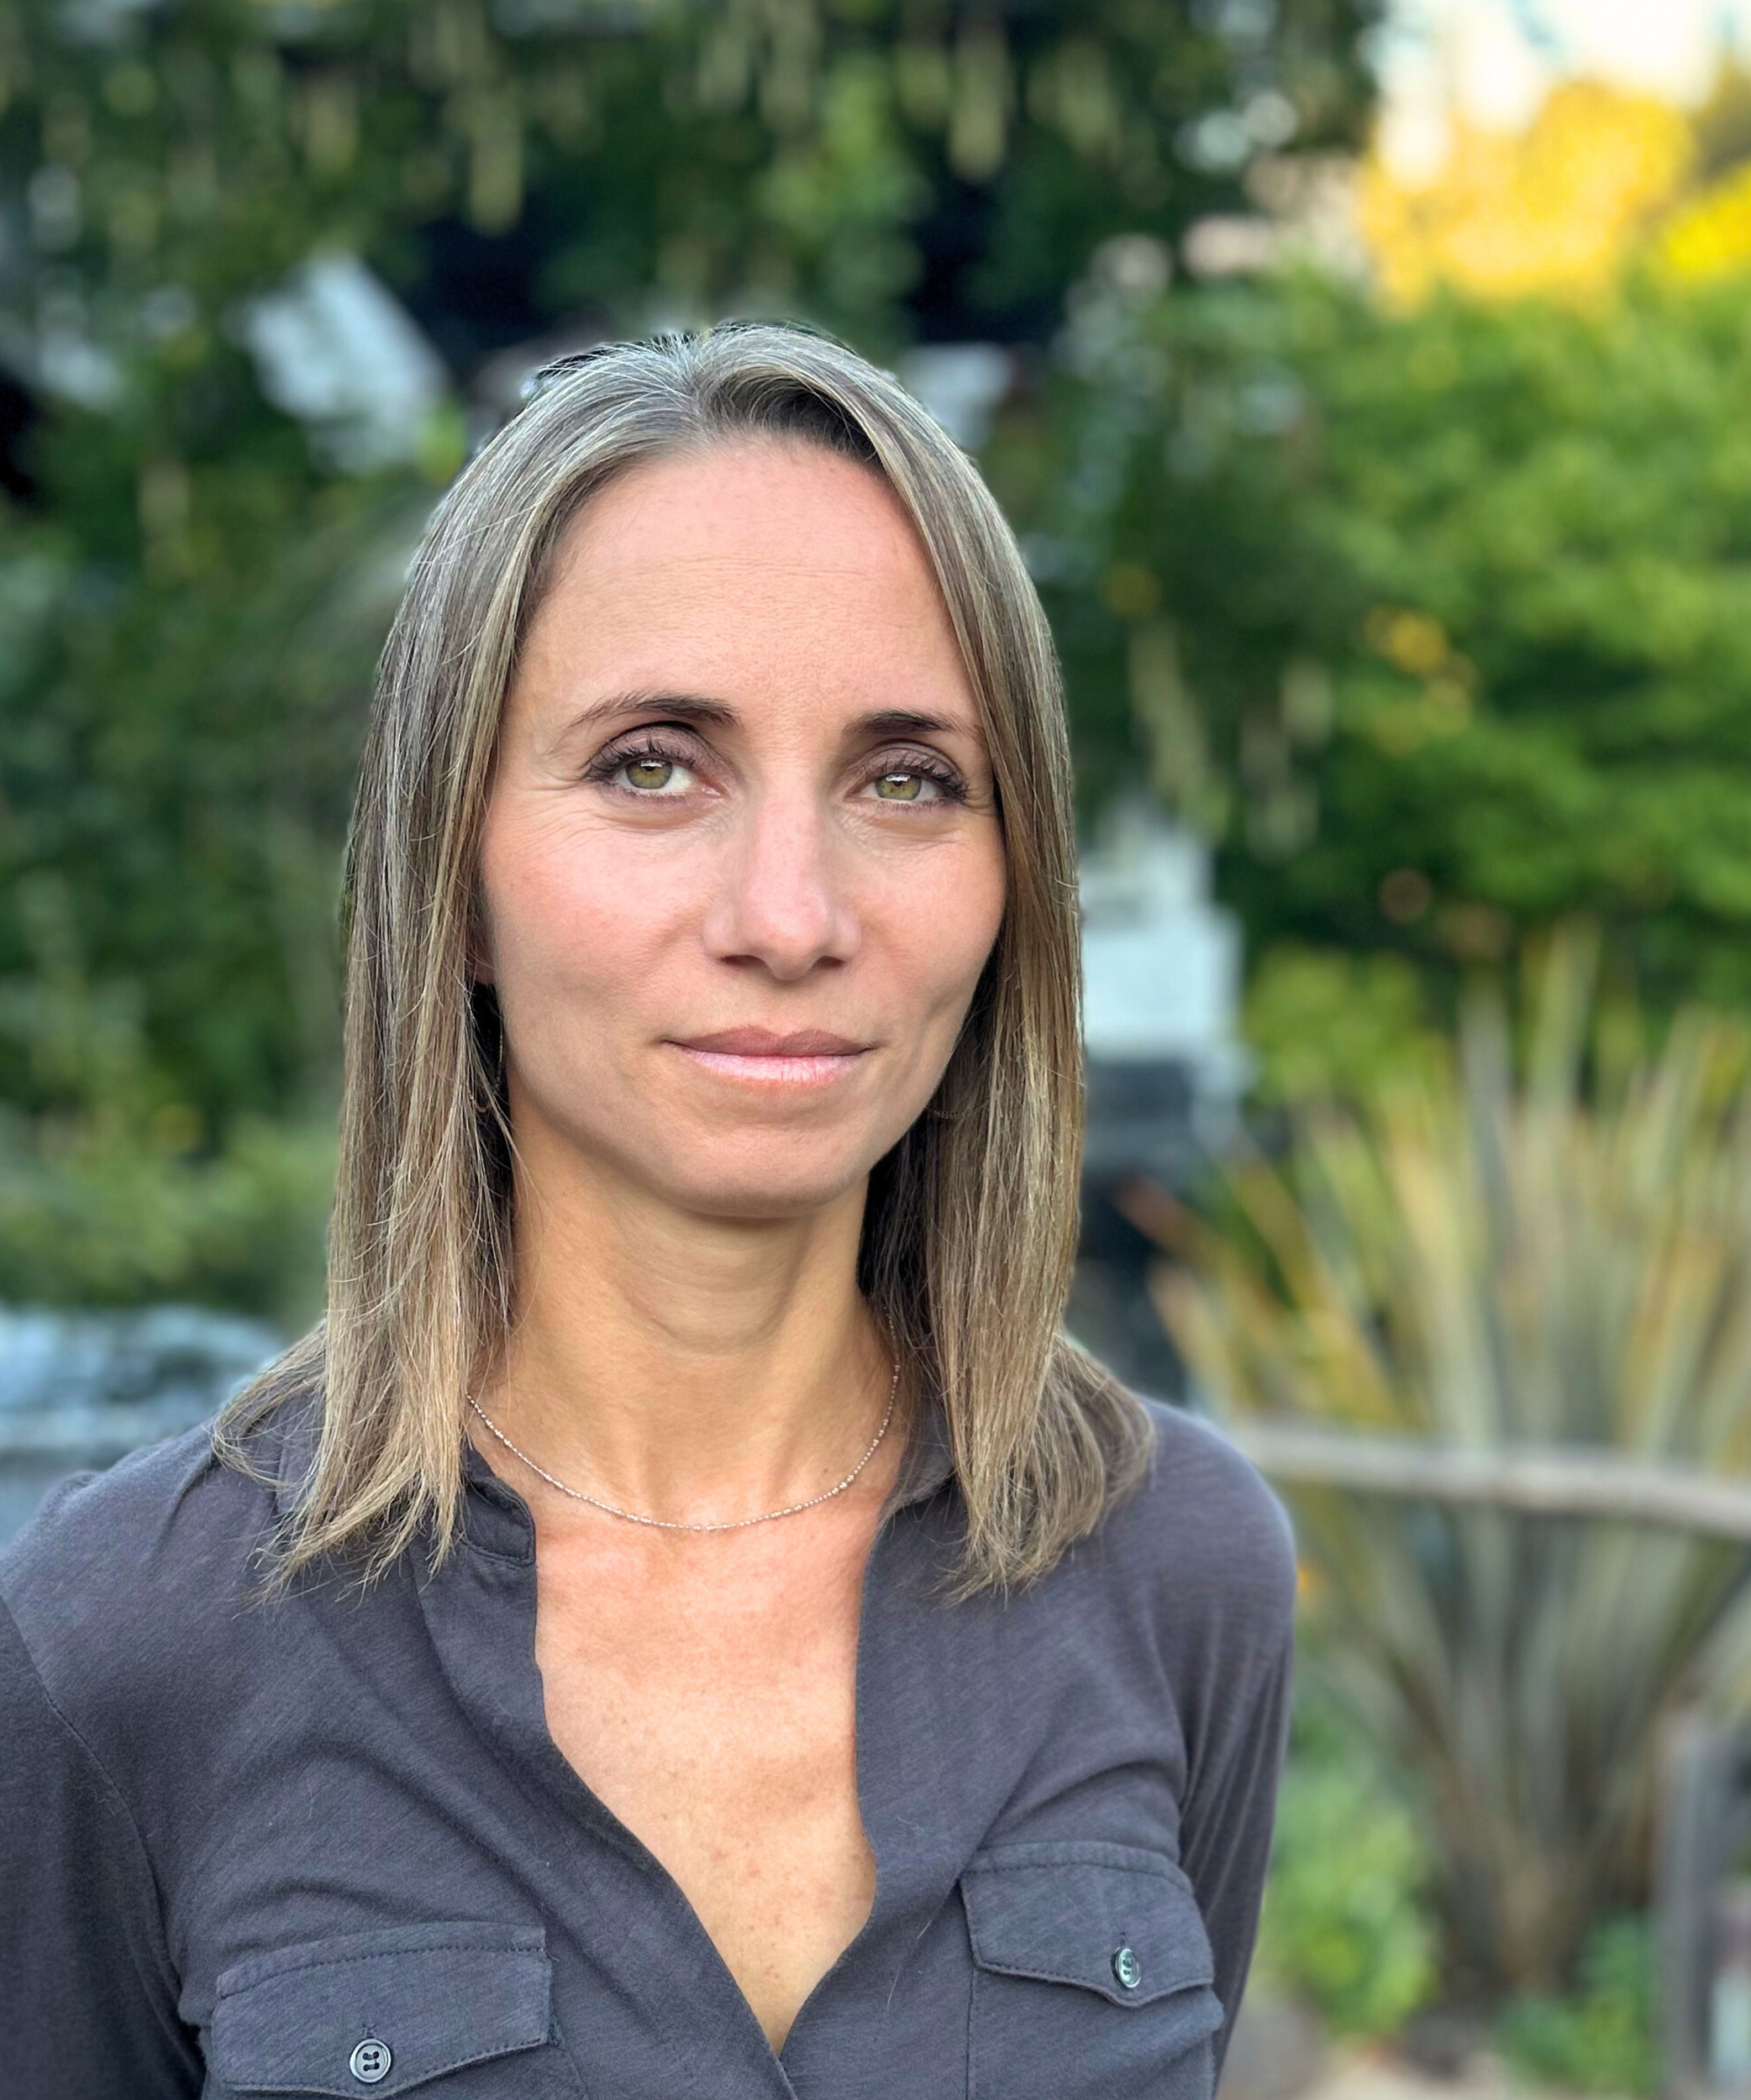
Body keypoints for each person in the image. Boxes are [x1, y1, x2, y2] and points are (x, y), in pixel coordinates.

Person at [0, 320, 1296, 2097]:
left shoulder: (1175, 1568)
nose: (788, 912)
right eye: (650, 764)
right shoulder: (124, 1636)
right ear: (448, 875)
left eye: (904, 777)